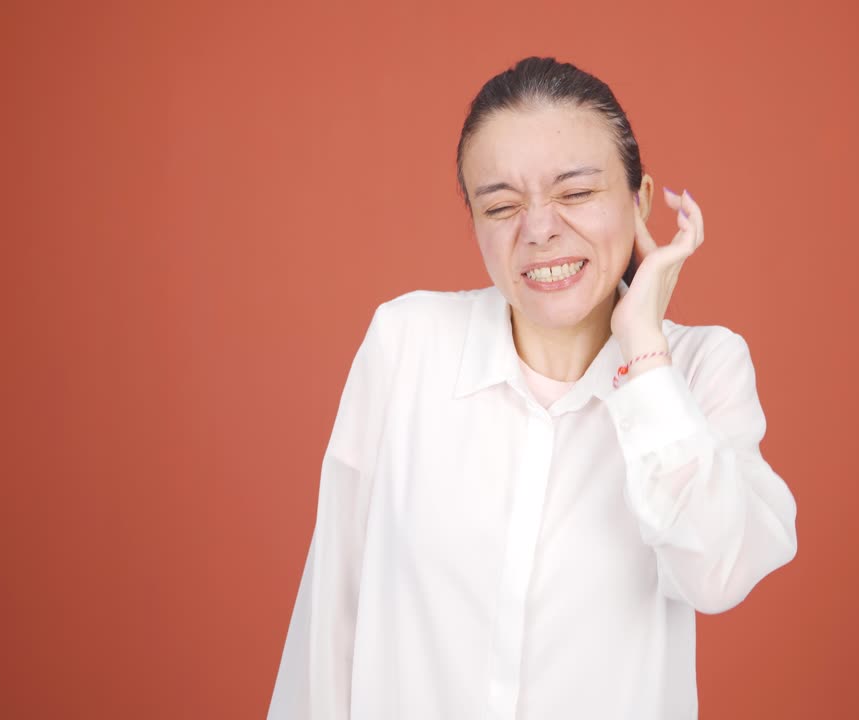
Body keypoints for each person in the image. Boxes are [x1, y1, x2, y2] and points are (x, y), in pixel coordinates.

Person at [266, 56, 798, 720]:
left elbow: (718, 573)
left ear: (639, 200)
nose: (539, 229)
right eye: (501, 205)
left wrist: (644, 352)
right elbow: (332, 615)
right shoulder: (406, 343)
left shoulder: (698, 368)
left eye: (575, 193)